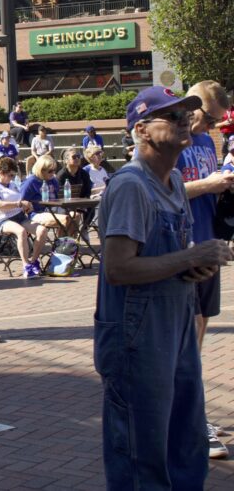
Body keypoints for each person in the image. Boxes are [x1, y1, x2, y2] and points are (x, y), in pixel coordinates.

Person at [95, 86, 234, 488]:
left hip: (175, 327)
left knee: (186, 443)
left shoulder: (172, 181)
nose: (184, 122)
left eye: (186, 115)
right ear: (141, 130)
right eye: (172, 116)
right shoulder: (131, 185)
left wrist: (192, 265)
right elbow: (119, 269)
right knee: (142, 454)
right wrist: (189, 258)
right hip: (136, 336)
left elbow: (168, 256)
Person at [176, 81, 234, 458]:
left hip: (208, 242)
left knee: (197, 337)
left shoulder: (205, 142)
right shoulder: (174, 140)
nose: (211, 127)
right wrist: (209, 184)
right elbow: (166, 191)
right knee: (185, 339)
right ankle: (190, 422)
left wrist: (223, 188)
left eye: (216, 123)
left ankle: (193, 416)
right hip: (184, 249)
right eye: (209, 119)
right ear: (192, 105)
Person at [0, 156, 51, 278]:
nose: (12, 178)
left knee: (42, 230)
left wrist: (26, 206)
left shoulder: (12, 185)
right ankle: (26, 266)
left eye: (14, 175)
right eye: (10, 175)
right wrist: (19, 204)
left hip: (19, 216)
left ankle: (33, 261)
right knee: (21, 231)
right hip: (1, 219)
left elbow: (19, 201)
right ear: (1, 173)